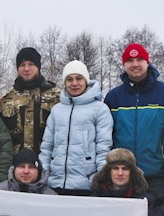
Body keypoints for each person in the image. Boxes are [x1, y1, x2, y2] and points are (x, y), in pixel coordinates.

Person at [104, 43, 164, 199]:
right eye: (130, 60)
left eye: (139, 59)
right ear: (124, 65)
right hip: (123, 177)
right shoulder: (113, 97)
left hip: (156, 177)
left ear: (147, 62)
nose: (135, 64)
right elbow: (106, 136)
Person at [39, 60, 112, 196]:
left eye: (79, 78)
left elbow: (103, 147)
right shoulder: (57, 110)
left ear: (86, 80)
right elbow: (47, 146)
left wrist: (99, 178)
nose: (74, 83)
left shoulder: (99, 109)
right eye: (69, 79)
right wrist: (44, 174)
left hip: (86, 184)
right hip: (55, 184)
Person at [0, 47, 60, 153]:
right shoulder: (5, 100)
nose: (26, 69)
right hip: (16, 165)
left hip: (48, 162)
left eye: (31, 64)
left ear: (38, 67)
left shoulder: (56, 97)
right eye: (22, 65)